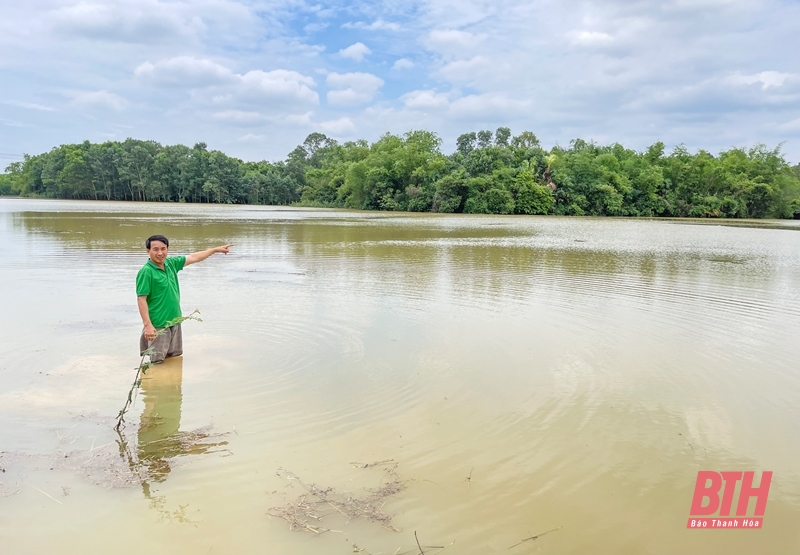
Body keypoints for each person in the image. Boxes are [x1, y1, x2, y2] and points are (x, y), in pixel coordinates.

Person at [136, 234, 233, 363]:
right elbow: (141, 299)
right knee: (156, 363)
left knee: (174, 358)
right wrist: (148, 325)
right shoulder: (146, 272)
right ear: (148, 251)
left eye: (163, 249)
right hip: (158, 325)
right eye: (156, 249)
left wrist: (214, 250)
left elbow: (194, 257)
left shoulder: (171, 264)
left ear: (167, 249)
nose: (160, 253)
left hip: (175, 320)